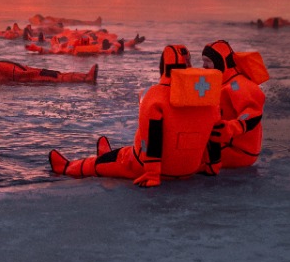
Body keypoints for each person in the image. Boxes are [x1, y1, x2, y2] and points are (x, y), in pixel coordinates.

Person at [48, 44, 221, 186]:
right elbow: (216, 132)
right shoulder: (207, 96)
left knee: (100, 164)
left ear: (163, 66)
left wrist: (152, 173)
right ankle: (107, 154)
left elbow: (151, 136)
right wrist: (213, 165)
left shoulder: (156, 95)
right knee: (116, 154)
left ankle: (66, 167)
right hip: (189, 169)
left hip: (147, 167)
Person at [202, 39, 267, 168]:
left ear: (221, 61)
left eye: (208, 61)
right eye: (203, 61)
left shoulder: (238, 84)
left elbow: (252, 112)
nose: (204, 66)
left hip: (239, 151)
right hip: (223, 144)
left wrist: (232, 127)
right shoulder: (220, 83)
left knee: (187, 153)